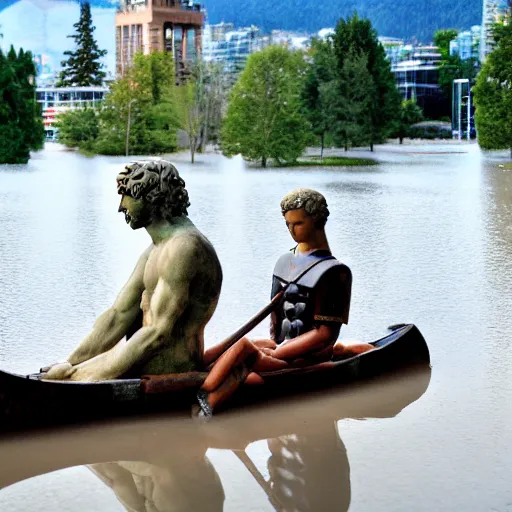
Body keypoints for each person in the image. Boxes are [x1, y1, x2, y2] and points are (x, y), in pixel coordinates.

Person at [196, 188, 374, 416]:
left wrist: (277, 354)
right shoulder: (284, 263)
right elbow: (275, 317)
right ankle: (199, 368)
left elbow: (325, 335)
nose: (291, 230)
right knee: (238, 345)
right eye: (287, 224)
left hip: (306, 359)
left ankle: (203, 392)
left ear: (317, 221)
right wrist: (274, 346)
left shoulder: (335, 272)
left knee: (245, 348)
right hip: (282, 346)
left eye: (297, 223)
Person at [41, 160, 222, 382]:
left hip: (169, 376)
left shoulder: (184, 248)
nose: (121, 206)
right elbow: (119, 315)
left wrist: (79, 377)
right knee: (60, 373)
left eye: (128, 195)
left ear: (152, 197)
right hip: (137, 367)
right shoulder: (157, 248)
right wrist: (70, 363)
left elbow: (157, 333)